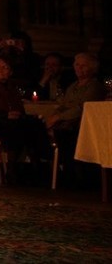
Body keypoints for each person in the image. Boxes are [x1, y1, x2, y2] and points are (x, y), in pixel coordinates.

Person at [0, 55, 52, 183]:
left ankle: (39, 164)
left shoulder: (12, 88)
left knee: (33, 124)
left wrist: (18, 115)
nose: (0, 70)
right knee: (18, 129)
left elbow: (19, 108)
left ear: (10, 71)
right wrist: (5, 115)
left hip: (11, 123)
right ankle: (16, 169)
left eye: (5, 67)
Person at [44, 52, 104, 181]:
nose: (79, 68)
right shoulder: (72, 86)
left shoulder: (94, 86)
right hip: (65, 123)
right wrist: (52, 116)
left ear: (92, 68)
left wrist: (58, 117)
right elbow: (64, 105)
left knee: (64, 135)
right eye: (77, 65)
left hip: (80, 126)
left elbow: (82, 108)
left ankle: (72, 175)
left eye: (83, 65)